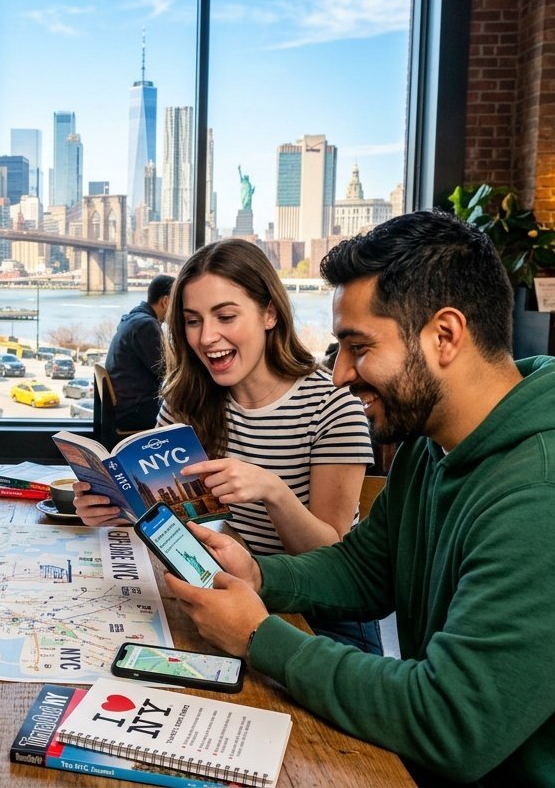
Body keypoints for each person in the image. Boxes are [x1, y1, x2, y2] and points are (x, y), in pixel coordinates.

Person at [169, 211, 555, 784]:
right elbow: (366, 570)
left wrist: (258, 636)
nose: (338, 375)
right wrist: (259, 577)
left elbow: (450, 723)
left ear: (444, 336)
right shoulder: (432, 446)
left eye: (357, 347)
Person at [79, 239, 378, 652]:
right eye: (193, 320)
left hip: (321, 623)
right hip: (222, 594)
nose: (206, 337)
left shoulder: (332, 407)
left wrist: (273, 491)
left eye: (225, 316)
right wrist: (117, 509)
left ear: (269, 313)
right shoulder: (186, 399)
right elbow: (172, 521)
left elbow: (336, 563)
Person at [104, 273, 174, 431]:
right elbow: (166, 372)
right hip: (135, 411)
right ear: (166, 301)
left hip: (125, 406)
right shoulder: (146, 325)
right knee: (189, 414)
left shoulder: (133, 319)